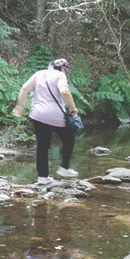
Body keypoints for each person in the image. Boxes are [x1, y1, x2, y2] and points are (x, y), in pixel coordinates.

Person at [13, 58, 79, 186]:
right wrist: (73, 108)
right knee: (69, 137)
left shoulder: (39, 74)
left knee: (42, 147)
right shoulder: (60, 75)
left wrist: (20, 107)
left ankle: (42, 178)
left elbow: (25, 88)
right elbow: (64, 91)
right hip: (55, 115)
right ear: (64, 69)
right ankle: (64, 167)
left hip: (38, 115)